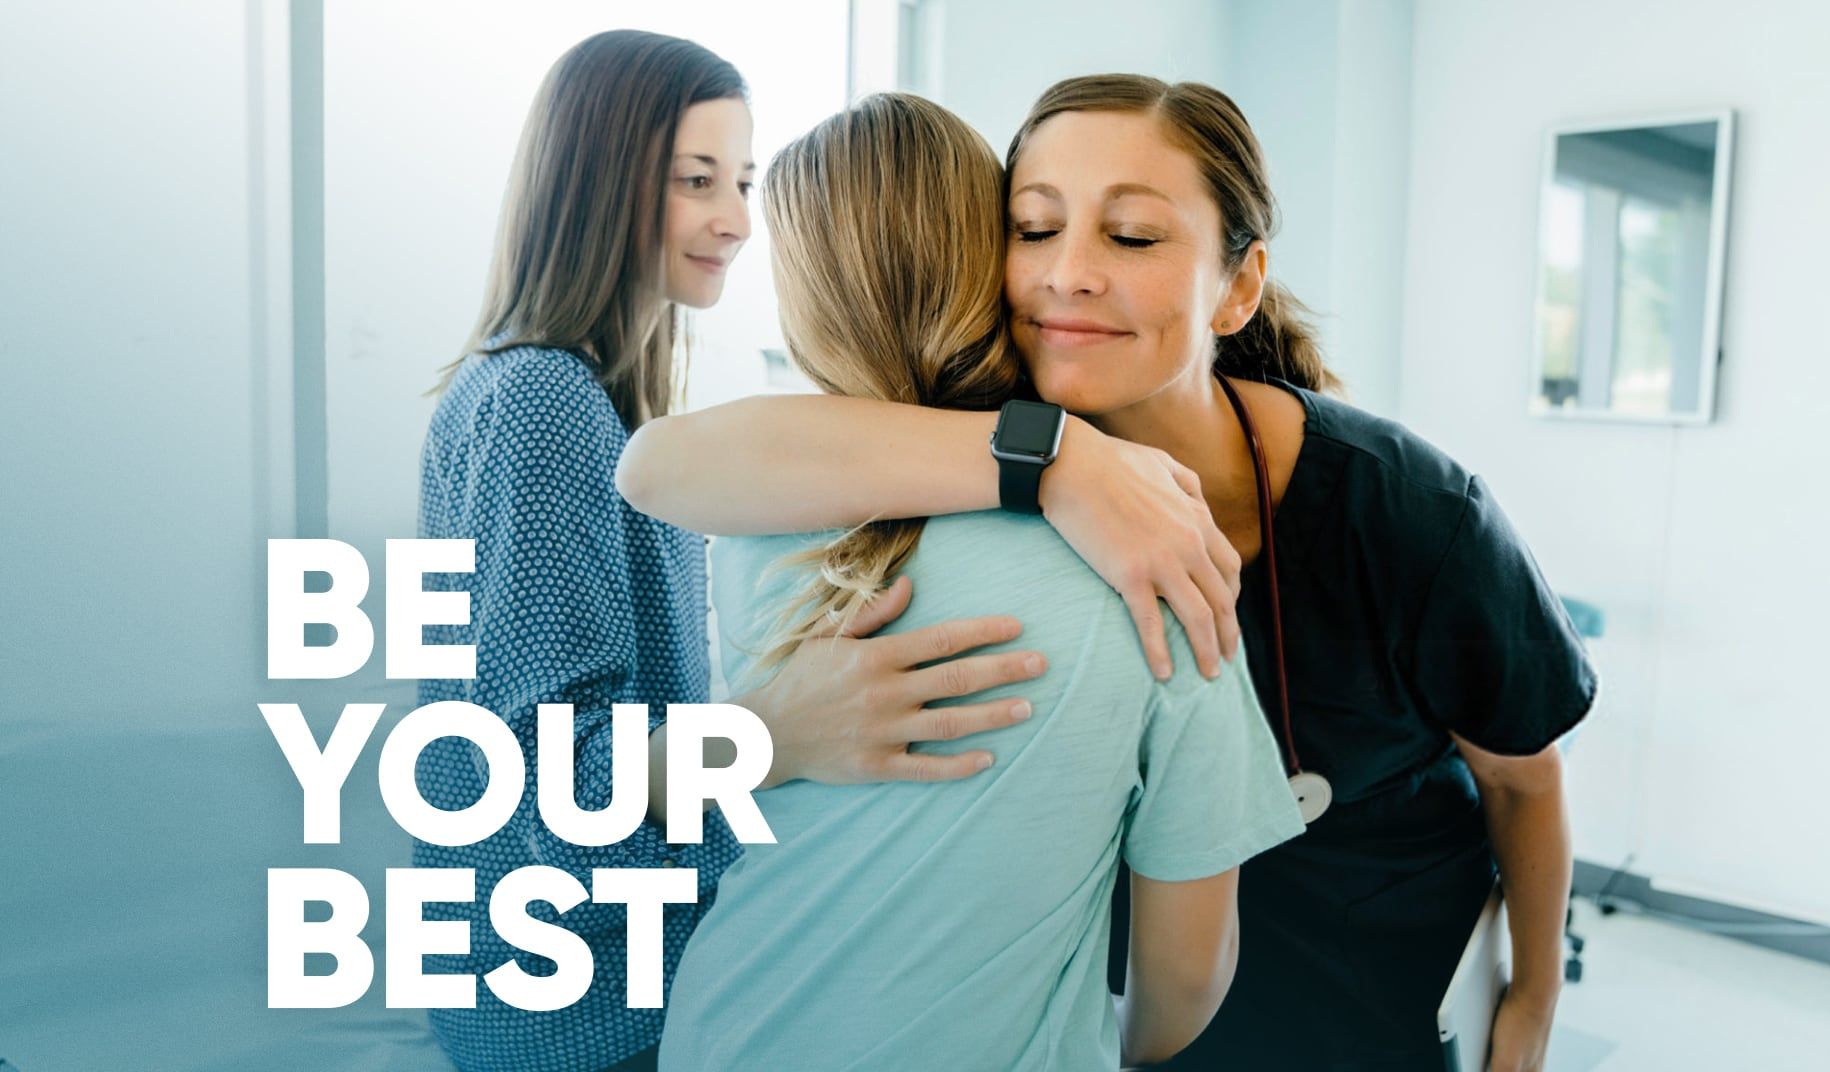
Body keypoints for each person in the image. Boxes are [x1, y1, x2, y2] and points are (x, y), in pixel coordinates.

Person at [622, 75, 1597, 1070]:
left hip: (1364, 1007)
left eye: (1131, 237)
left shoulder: (1410, 512)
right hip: (1129, 1018)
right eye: (1033, 228)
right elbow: (660, 466)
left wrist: (1527, 1001)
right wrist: (1057, 462)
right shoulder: (952, 465)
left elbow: (1521, 782)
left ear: (1239, 285)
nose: (1068, 273)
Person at [411, 32, 1061, 1072]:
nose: (733, 221)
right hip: (581, 1017)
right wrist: (775, 730)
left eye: (744, 183)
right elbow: (537, 789)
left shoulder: (583, 400)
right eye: (694, 181)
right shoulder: (543, 403)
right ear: (595, 183)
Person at [653, 93, 1306, 1071]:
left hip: (724, 1032)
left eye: (1125, 235)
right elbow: (1186, 972)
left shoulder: (759, 525)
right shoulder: (1159, 563)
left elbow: (654, 472)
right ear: (991, 259)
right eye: (1037, 228)